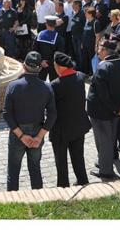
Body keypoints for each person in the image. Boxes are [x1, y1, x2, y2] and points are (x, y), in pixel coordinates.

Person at [2, 51, 57, 191]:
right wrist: (39, 136)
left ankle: (12, 200)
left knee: (13, 170)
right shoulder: (47, 87)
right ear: (40, 68)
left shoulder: (13, 86)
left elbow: (7, 114)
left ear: (23, 66)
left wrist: (20, 135)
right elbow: (52, 115)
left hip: (17, 132)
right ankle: (37, 198)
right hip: (37, 131)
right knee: (35, 168)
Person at [87, 39, 120, 179]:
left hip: (101, 112)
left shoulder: (103, 67)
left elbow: (102, 94)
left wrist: (117, 108)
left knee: (104, 141)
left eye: (99, 48)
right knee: (109, 139)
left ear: (105, 51)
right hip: (115, 111)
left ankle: (106, 171)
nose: (98, 50)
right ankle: (103, 162)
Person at [49, 52, 90, 187]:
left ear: (60, 67)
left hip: (61, 130)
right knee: (78, 157)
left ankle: (63, 185)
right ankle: (83, 180)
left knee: (61, 160)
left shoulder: (55, 85)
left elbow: (51, 108)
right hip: (79, 126)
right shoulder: (80, 77)